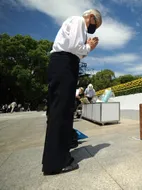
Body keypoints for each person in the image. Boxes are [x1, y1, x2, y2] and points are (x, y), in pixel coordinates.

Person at [42, 9, 102, 175]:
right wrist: (88, 46)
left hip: (66, 63)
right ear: (91, 17)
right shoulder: (78, 21)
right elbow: (75, 47)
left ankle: (56, 155)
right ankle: (56, 162)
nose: (93, 29)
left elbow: (78, 53)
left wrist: (88, 47)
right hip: (64, 64)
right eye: (95, 25)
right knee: (61, 112)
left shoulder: (78, 26)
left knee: (62, 110)